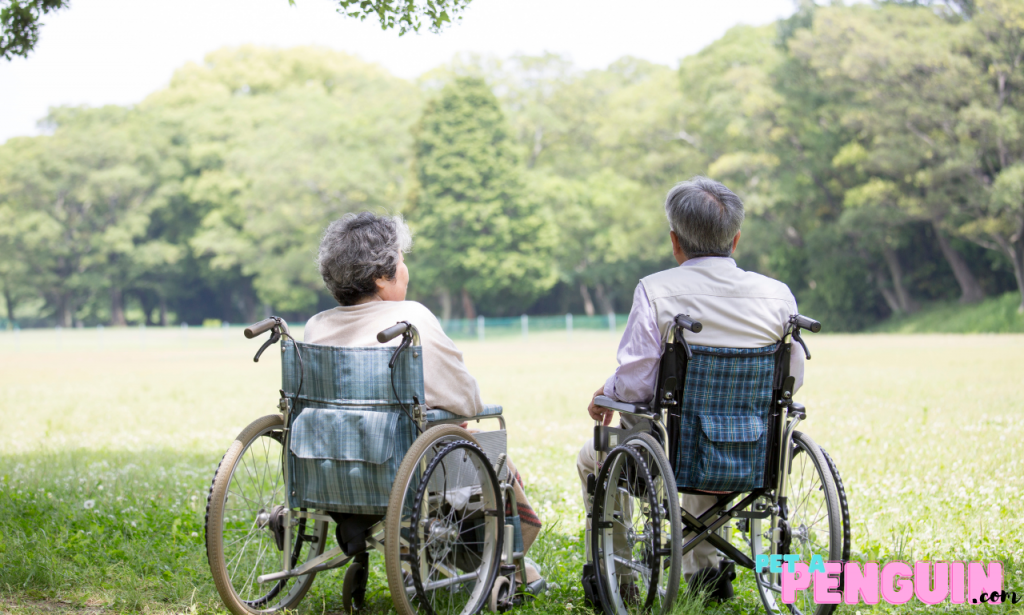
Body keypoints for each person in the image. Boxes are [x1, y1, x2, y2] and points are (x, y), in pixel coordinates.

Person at [576, 177, 804, 600]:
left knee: (596, 457)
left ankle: (620, 578)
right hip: (756, 454)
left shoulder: (657, 290)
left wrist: (605, 392)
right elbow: (792, 378)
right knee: (698, 437)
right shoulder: (777, 296)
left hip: (677, 454)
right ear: (735, 239)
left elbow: (635, 383)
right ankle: (706, 571)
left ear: (674, 242)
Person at [304, 211, 543, 585]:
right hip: (405, 469)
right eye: (402, 259)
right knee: (487, 447)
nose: (405, 268)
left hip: (329, 465)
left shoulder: (316, 325)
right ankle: (504, 563)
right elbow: (466, 400)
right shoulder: (409, 318)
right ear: (382, 277)